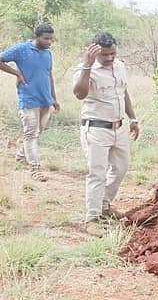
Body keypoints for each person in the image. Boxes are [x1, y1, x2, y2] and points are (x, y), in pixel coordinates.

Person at [72, 33, 139, 232]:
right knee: (97, 173)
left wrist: (133, 118)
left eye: (113, 53)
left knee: (121, 167)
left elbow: (123, 92)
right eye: (105, 55)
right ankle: (92, 218)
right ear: (95, 52)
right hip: (95, 129)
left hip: (118, 128)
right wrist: (87, 64)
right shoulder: (86, 69)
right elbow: (79, 94)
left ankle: (104, 205)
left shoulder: (119, 66)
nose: (110, 58)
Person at [0, 23, 60, 182]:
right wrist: (17, 74)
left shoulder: (48, 53)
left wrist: (54, 98)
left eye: (51, 39)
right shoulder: (21, 49)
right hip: (28, 99)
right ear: (36, 37)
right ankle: (35, 169)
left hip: (45, 99)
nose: (49, 42)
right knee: (31, 134)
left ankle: (20, 156)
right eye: (46, 38)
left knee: (36, 132)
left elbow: (49, 75)